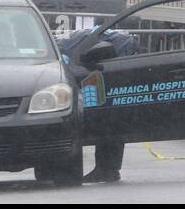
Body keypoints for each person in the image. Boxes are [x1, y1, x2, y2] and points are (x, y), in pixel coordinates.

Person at [56, 27, 138, 182]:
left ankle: (107, 169)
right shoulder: (57, 48)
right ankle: (106, 169)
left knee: (109, 119)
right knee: (107, 120)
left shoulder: (66, 49)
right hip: (88, 80)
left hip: (100, 77)